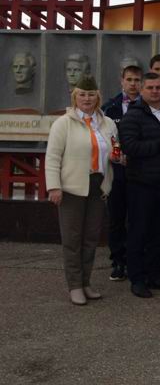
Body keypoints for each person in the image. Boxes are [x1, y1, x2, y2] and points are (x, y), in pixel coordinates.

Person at [46, 76, 118, 305]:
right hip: (72, 188)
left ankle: (86, 282)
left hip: (98, 186)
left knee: (91, 238)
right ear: (75, 97)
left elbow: (113, 150)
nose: (87, 99)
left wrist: (119, 157)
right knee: (72, 238)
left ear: (98, 96)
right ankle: (74, 285)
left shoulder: (107, 123)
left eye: (91, 94)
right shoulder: (63, 123)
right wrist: (54, 186)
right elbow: (53, 157)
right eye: (82, 94)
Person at [118, 72, 160, 298]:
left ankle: (154, 275)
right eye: (151, 88)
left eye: (159, 87)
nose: (155, 91)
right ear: (142, 90)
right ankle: (137, 278)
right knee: (139, 231)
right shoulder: (133, 116)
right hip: (142, 185)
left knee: (159, 232)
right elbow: (129, 147)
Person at [101, 63, 143, 282]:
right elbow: (104, 137)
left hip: (140, 171)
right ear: (122, 81)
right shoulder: (111, 107)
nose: (133, 84)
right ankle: (117, 260)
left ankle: (135, 260)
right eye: (129, 80)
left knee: (137, 218)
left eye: (137, 80)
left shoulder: (149, 106)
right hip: (117, 171)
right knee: (116, 218)